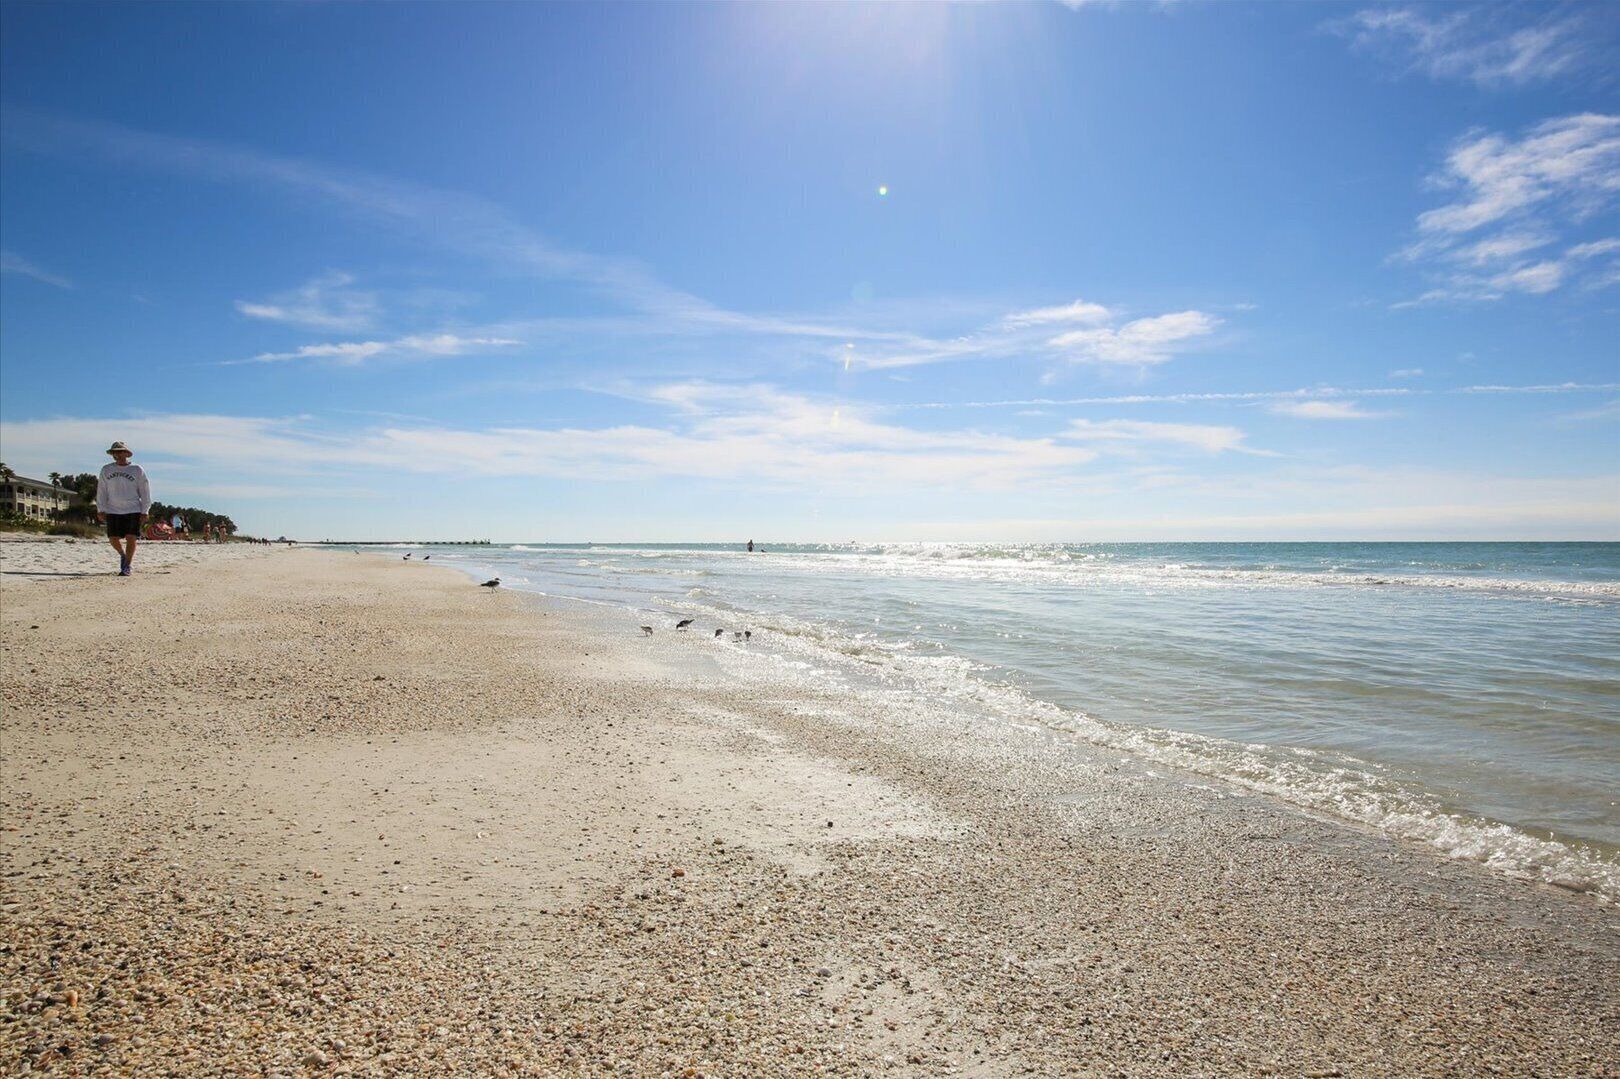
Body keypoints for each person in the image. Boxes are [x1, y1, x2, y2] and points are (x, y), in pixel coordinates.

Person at [97, 441, 151, 576]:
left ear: (127, 453)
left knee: (131, 537)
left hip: (133, 508)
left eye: (121, 451)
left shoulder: (137, 469)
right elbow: (102, 490)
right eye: (116, 452)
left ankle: (127, 565)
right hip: (113, 509)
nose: (119, 454)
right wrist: (101, 508)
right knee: (113, 538)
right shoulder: (106, 470)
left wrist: (145, 511)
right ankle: (122, 554)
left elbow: (144, 491)